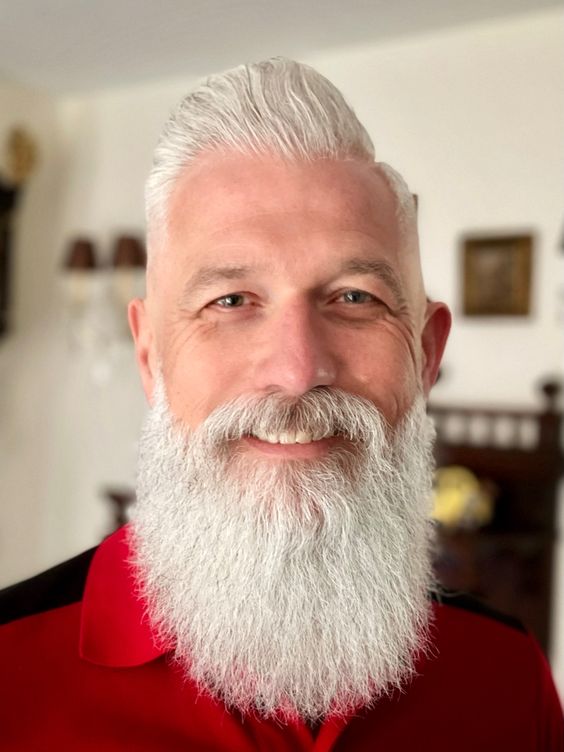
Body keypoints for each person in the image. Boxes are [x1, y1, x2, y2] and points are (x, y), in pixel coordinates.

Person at [0, 57, 562, 751]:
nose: (298, 371)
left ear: (425, 355)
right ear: (151, 356)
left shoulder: (506, 678)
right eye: (230, 301)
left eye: (356, 298)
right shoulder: (9, 678)